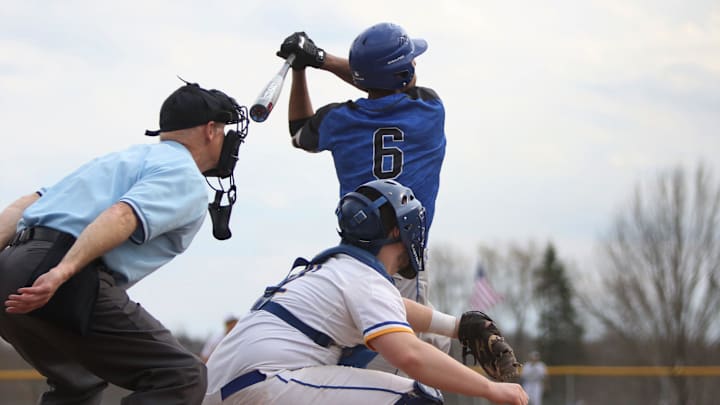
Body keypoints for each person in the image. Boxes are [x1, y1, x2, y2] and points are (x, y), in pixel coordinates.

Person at [0, 81, 249, 405]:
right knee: (181, 375)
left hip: (9, 270)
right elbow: (122, 215)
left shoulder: (122, 158)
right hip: (57, 277)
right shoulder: (184, 174)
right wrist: (62, 272)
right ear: (211, 130)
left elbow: (26, 204)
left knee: (78, 383)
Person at [203, 179, 527, 405]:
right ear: (397, 230)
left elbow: (393, 306)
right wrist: (490, 390)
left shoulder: (335, 269)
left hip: (225, 387)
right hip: (263, 384)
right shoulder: (366, 280)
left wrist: (456, 328)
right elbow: (410, 356)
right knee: (418, 397)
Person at [276, 22, 448, 371]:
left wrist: (302, 69)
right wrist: (322, 60)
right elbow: (384, 84)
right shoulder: (429, 108)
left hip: (352, 260)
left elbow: (299, 132)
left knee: (372, 350)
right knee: (413, 364)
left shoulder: (339, 119)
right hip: (401, 258)